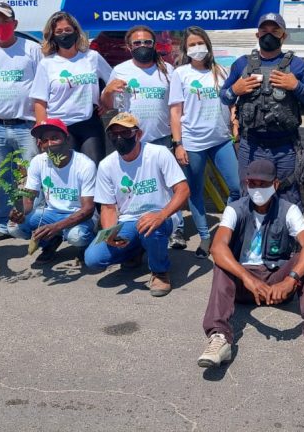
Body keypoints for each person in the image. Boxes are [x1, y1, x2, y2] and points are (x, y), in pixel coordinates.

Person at [198, 159, 304, 372]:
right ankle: (219, 337)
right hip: (243, 286)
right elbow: (217, 247)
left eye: (263, 184)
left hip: (277, 282)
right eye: (252, 183)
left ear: (276, 184)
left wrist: (291, 279)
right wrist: (247, 278)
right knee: (222, 261)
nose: (257, 189)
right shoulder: (235, 209)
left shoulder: (288, 210)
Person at [220, 13, 304, 205]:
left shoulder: (296, 65)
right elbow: (224, 96)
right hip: (250, 146)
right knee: (250, 196)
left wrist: (295, 86)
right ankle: (251, 234)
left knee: (288, 196)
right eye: (264, 31)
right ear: (257, 35)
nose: (269, 35)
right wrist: (235, 90)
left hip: (285, 147)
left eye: (275, 31)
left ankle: (286, 235)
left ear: (283, 36)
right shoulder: (242, 64)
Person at [84, 113, 190, 297]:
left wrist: (161, 215)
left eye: (125, 133)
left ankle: (160, 272)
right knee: (93, 258)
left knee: (151, 227)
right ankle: (136, 249)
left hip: (162, 216)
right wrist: (111, 234)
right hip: (129, 220)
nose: (119, 138)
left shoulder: (159, 153)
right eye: (113, 134)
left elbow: (183, 190)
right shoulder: (106, 165)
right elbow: (108, 207)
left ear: (138, 134)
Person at [100, 25, 188, 249]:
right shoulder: (120, 70)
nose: (142, 46)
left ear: (154, 45)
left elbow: (175, 106)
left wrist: (178, 140)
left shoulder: (166, 69)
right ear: (129, 46)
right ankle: (133, 229)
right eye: (137, 43)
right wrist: (108, 91)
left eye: (147, 42)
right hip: (130, 141)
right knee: (138, 189)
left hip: (160, 138)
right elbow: (107, 107)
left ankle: (175, 228)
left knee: (167, 189)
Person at [0, 2, 42, 243]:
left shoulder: (33, 49)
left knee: (31, 178)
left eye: (5, 20)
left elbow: (44, 88)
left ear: (15, 24)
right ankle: (3, 223)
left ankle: (32, 222)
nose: (1, 25)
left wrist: (42, 125)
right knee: (2, 179)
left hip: (27, 126)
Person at [169, 26, 241, 258]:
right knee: (195, 191)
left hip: (221, 139)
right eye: (192, 45)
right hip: (193, 142)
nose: (197, 48)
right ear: (185, 49)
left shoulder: (220, 70)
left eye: (200, 43)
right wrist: (178, 143)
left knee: (237, 188)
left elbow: (230, 100)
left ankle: (225, 230)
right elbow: (175, 111)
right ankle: (205, 237)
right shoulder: (180, 74)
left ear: (208, 45)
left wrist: (234, 118)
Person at [7, 118, 98, 264]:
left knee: (77, 236)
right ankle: (50, 242)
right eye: (44, 140)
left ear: (67, 139)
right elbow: (29, 198)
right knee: (15, 227)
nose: (49, 144)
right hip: (52, 213)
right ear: (40, 144)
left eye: (55, 138)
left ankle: (87, 245)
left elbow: (88, 209)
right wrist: (19, 210)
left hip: (79, 215)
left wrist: (57, 227)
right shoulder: (38, 161)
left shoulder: (84, 164)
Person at [30, 11, 112, 165]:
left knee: (94, 169)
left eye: (68, 30)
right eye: (59, 32)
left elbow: (113, 82)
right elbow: (40, 101)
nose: (64, 34)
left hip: (89, 123)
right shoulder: (47, 64)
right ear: (52, 35)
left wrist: (107, 103)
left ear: (76, 31)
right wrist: (43, 134)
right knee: (64, 174)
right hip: (58, 126)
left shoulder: (92, 57)